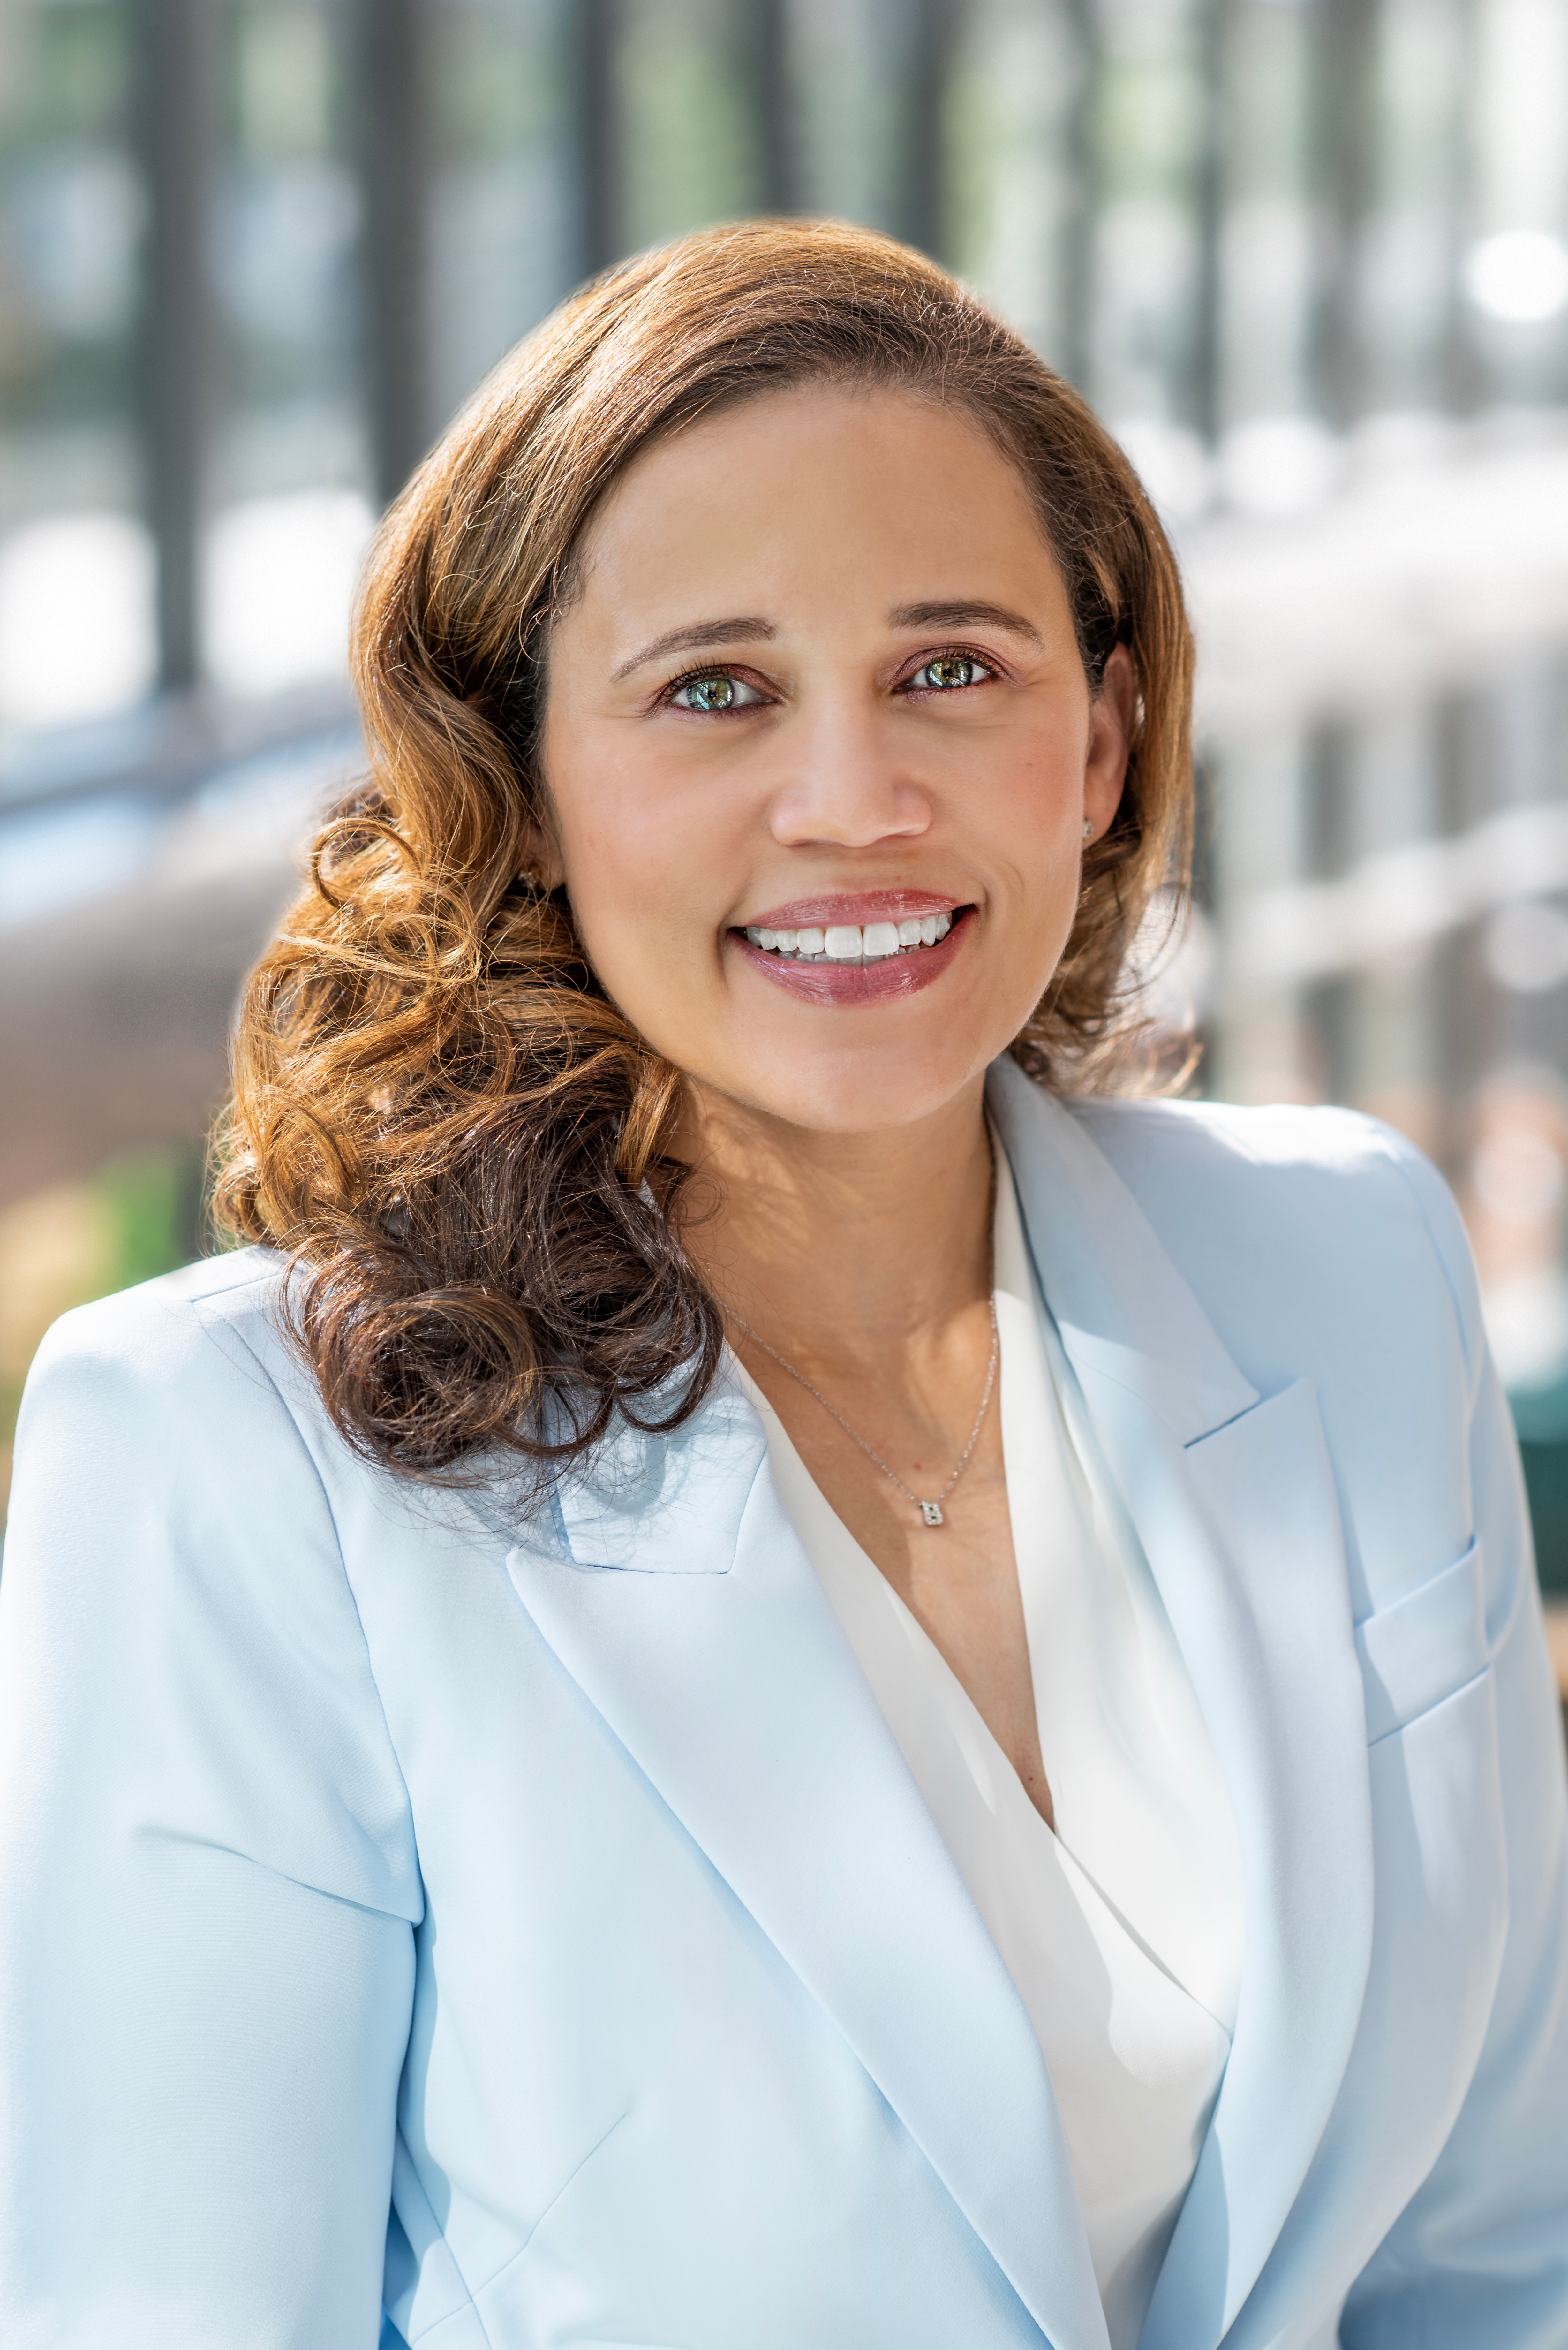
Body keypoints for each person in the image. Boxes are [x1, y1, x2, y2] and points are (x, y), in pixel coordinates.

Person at [2, 219, 1564, 2350]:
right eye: (714, 693)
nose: (854, 802)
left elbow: (1498, 2252)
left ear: (1101, 744)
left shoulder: (1350, 1272)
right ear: (524, 784)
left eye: (952, 669)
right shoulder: (229, 1459)